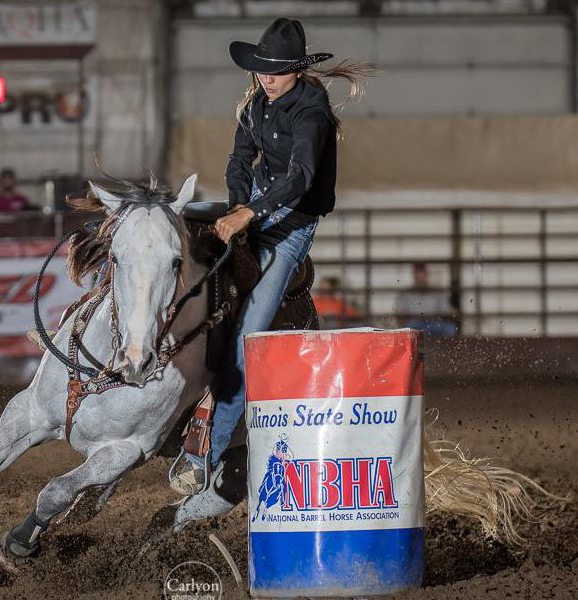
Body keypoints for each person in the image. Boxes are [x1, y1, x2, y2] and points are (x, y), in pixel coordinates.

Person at [169, 17, 373, 495]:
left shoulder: (312, 113)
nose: (266, 77)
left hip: (292, 228)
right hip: (258, 209)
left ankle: (207, 451)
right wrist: (240, 204)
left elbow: (301, 178)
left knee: (251, 333)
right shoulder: (257, 105)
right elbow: (239, 161)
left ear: (296, 72)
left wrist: (248, 213)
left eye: (275, 71)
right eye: (262, 69)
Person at [394, 262, 459, 336]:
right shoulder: (405, 294)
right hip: (414, 324)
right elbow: (399, 312)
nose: (420, 278)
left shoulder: (438, 292)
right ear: (414, 276)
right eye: (417, 275)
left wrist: (452, 312)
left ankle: (447, 347)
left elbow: (446, 310)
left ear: (426, 275)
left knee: (450, 329)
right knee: (407, 329)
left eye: (422, 274)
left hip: (435, 323)